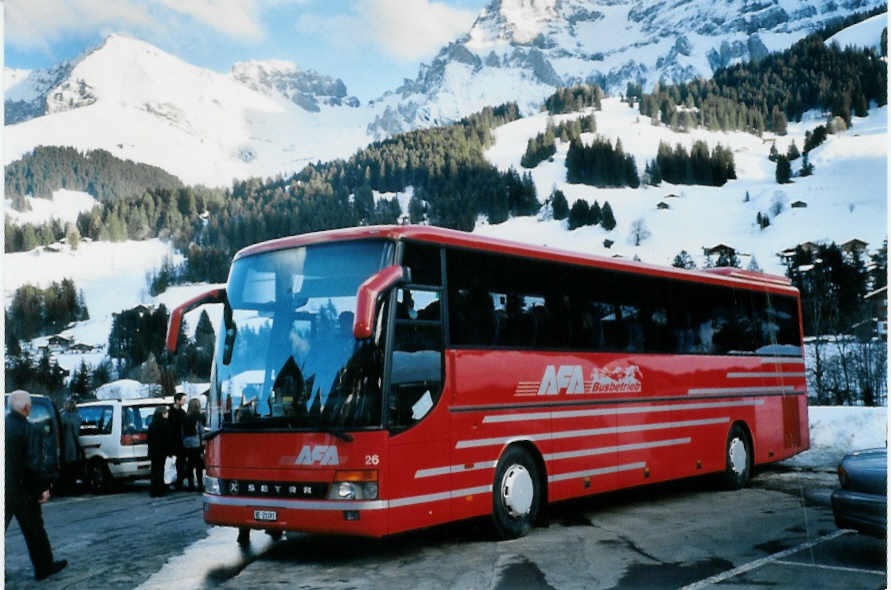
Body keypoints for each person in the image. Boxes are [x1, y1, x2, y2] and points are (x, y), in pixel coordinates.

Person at [5, 390, 68, 581]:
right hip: (24, 491)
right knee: (35, 531)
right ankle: (44, 567)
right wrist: (42, 488)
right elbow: (34, 464)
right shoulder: (29, 429)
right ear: (26, 407)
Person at [59, 399, 82, 495]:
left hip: (68, 445)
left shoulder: (65, 416)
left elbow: (60, 423)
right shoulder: (78, 416)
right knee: (74, 468)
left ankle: (68, 489)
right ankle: (74, 488)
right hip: (75, 445)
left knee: (68, 469)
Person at [181, 398, 205, 491]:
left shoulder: (186, 417)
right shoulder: (199, 416)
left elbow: (182, 431)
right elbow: (201, 430)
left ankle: (191, 485)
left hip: (187, 443)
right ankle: (200, 484)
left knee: (190, 465)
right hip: (196, 443)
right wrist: (203, 442)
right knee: (199, 466)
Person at [147, 406, 171, 497]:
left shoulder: (152, 424)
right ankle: (160, 490)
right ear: (163, 413)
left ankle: (154, 490)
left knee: (154, 470)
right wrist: (170, 452)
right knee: (161, 470)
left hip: (153, 451)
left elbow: (149, 439)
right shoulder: (166, 424)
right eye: (166, 413)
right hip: (162, 451)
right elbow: (168, 439)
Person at [168, 393, 187, 490]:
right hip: (172, 441)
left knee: (180, 463)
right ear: (177, 400)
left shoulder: (182, 412)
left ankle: (179, 481)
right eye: (183, 399)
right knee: (172, 463)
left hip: (180, 441)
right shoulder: (170, 412)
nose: (185, 401)